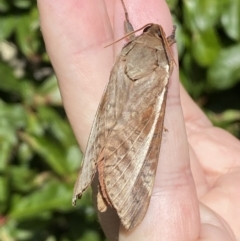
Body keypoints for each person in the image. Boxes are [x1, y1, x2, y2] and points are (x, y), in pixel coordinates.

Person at [37, 0, 240, 240]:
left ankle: (106, 184)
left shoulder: (126, 53)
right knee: (141, 135)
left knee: (106, 118)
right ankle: (116, 190)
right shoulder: (161, 65)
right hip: (137, 129)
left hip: (117, 114)